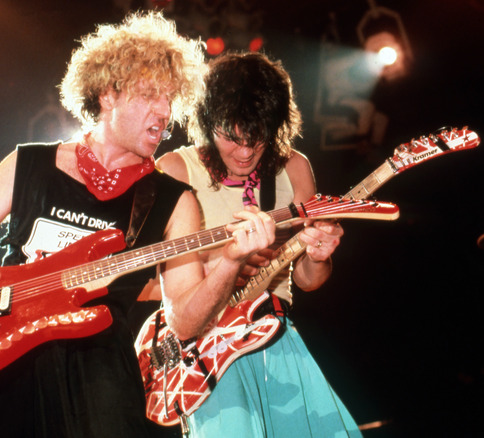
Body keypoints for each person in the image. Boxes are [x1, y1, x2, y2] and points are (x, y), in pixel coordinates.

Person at [0, 12, 276, 437]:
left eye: (170, 99)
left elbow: (184, 323)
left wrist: (230, 264)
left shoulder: (174, 202)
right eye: (149, 95)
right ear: (108, 95)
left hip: (93, 376)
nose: (163, 113)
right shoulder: (29, 163)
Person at [152, 52, 363, 437]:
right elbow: (147, 287)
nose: (245, 152)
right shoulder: (174, 170)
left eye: (258, 138)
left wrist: (318, 253)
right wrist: (219, 270)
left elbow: (309, 280)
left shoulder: (294, 167)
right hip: (208, 351)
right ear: (206, 122)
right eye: (231, 138)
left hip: (274, 337)